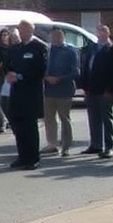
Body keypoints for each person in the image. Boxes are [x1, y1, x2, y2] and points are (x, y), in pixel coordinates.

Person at [5, 20, 48, 171]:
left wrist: (21, 76)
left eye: (24, 29)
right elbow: (9, 65)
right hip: (16, 92)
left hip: (31, 93)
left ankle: (33, 158)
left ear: (31, 30)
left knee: (30, 127)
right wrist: (9, 74)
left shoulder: (39, 48)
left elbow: (40, 70)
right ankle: (22, 156)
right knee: (18, 125)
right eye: (20, 29)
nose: (21, 32)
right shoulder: (15, 48)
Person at [79, 24, 113, 159]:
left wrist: (110, 89)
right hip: (91, 88)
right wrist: (84, 87)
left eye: (103, 31)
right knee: (93, 118)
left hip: (105, 90)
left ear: (108, 33)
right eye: (98, 31)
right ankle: (96, 144)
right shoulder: (92, 49)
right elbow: (85, 67)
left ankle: (109, 147)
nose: (100, 33)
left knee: (106, 118)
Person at [41, 27, 80, 157]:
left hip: (64, 89)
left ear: (63, 37)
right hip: (49, 89)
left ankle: (66, 146)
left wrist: (59, 79)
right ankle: (52, 144)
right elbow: (41, 67)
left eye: (58, 36)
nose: (56, 38)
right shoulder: (47, 50)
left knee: (64, 118)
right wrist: (46, 77)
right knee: (49, 118)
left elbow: (76, 72)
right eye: (53, 36)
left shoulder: (70, 51)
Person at [0, 28, 14, 133]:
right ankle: (0, 125)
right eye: (3, 35)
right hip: (0, 76)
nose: (5, 37)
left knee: (10, 101)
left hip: (10, 76)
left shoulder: (12, 48)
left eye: (6, 35)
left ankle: (11, 121)